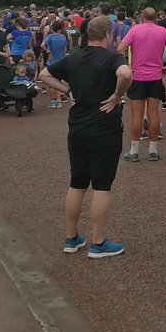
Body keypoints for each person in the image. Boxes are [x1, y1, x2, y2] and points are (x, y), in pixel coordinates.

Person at [39, 15, 132, 258]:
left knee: (77, 183)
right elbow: (125, 74)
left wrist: (67, 89)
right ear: (109, 35)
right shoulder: (114, 58)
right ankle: (98, 242)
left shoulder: (74, 58)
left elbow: (44, 74)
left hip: (78, 127)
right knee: (102, 186)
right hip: (105, 128)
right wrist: (116, 96)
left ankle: (71, 238)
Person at [120, 7, 166, 163]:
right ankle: (153, 150)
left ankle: (134, 151)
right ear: (156, 18)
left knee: (136, 115)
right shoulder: (161, 31)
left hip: (138, 76)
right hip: (155, 77)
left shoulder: (135, 30)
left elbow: (121, 48)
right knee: (154, 114)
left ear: (142, 17)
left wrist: (126, 66)